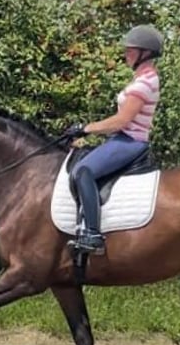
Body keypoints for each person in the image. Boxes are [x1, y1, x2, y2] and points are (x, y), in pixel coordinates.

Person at [63, 24, 163, 254]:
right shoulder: (142, 78)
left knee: (84, 170)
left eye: (130, 50)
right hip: (122, 138)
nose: (125, 54)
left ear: (145, 53)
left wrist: (85, 128)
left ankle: (93, 235)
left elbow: (121, 121)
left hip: (130, 140)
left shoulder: (145, 83)